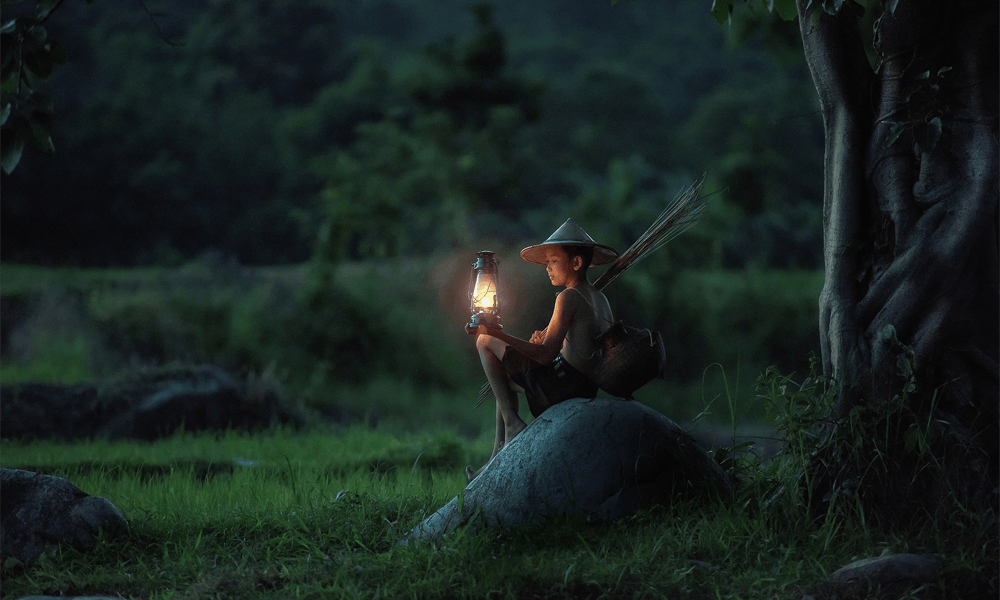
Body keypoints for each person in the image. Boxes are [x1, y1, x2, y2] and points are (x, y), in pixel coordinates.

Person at [466, 218, 618, 481]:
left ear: (577, 263)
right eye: (547, 262)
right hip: (582, 384)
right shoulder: (599, 298)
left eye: (553, 261)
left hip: (561, 386)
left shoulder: (568, 297)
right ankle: (494, 458)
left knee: (483, 341)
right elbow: (572, 346)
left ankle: (514, 425)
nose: (547, 268)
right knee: (502, 381)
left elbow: (545, 355)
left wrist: (498, 334)